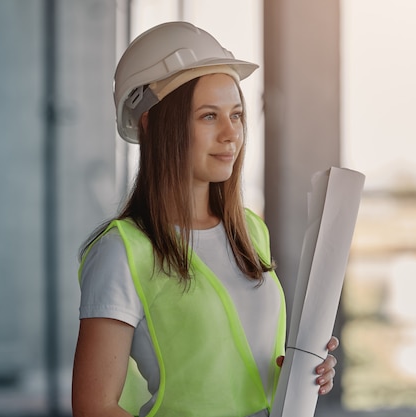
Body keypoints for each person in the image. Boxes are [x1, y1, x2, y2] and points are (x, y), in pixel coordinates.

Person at [71, 21, 339, 417]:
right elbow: (94, 408)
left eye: (236, 115)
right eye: (209, 116)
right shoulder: (121, 253)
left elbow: (243, 371)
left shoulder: (250, 231)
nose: (231, 134)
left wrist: (304, 373)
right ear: (153, 125)